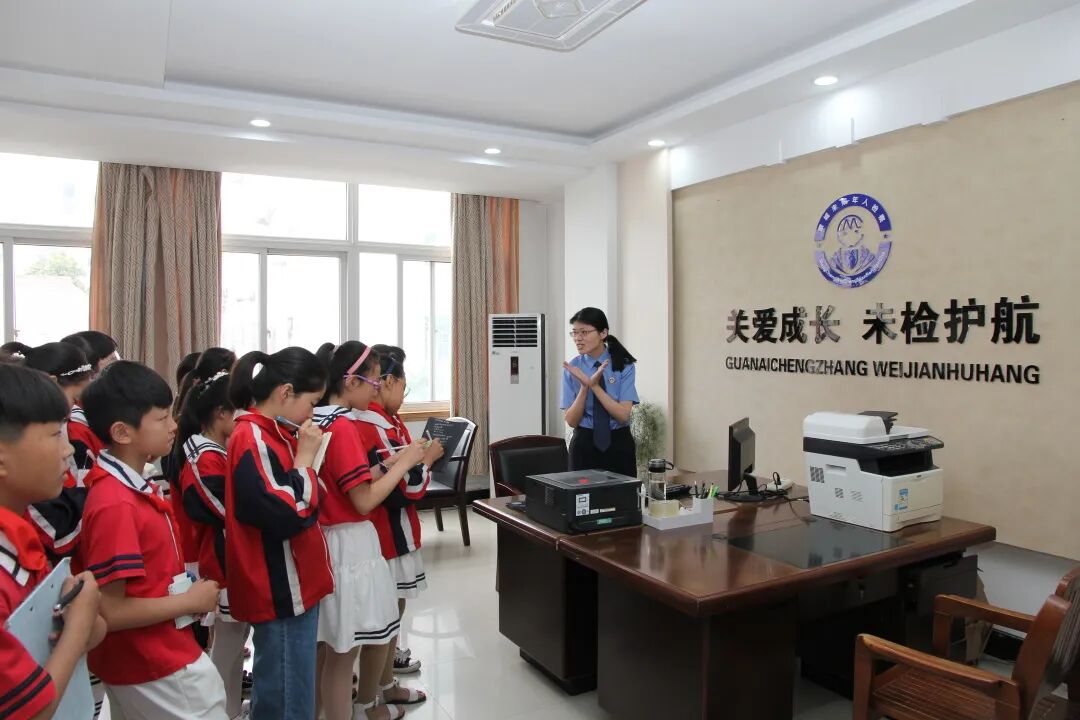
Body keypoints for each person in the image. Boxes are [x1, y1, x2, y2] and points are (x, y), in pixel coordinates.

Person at [79, 361, 226, 719]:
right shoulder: (116, 503)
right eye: (161, 418)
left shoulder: (131, 486)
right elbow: (110, 610)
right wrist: (187, 601)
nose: (173, 425)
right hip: (154, 661)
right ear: (122, 432)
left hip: (158, 653)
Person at [312, 342, 428, 720]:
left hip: (324, 539)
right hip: (349, 542)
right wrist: (405, 464)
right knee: (344, 653)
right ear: (350, 382)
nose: (376, 390)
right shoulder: (343, 426)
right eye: (373, 382)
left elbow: (350, 480)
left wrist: (388, 463)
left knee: (327, 650)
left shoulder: (317, 420)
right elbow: (363, 501)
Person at [225, 348, 333, 720]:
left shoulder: (273, 432)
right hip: (280, 587)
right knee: (287, 694)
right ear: (286, 392)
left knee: (290, 686)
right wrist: (305, 459)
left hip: (295, 583)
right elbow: (289, 513)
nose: (312, 414)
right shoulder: (252, 437)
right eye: (311, 403)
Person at [0, 363, 105, 720]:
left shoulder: (19, 535)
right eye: (55, 434)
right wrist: (78, 627)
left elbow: (89, 632)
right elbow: (33, 712)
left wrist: (83, 618)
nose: (68, 450)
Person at [354, 345, 443, 690]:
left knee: (391, 610)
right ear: (386, 381)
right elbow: (405, 488)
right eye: (403, 387)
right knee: (387, 612)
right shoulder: (372, 424)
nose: (404, 397)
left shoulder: (385, 420)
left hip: (389, 531)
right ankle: (379, 688)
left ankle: (384, 679)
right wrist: (427, 461)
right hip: (387, 534)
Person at [171, 370, 247, 718]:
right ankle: (217, 709)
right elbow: (225, 509)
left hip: (229, 557)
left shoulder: (213, 450)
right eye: (239, 410)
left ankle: (229, 708)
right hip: (221, 560)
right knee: (227, 646)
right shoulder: (203, 456)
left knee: (234, 642)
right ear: (221, 413)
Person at [561, 307, 639, 477]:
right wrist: (584, 387)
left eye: (584, 332)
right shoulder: (572, 368)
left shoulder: (623, 366)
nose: (578, 338)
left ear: (603, 333)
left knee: (622, 493)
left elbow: (623, 415)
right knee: (581, 494)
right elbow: (572, 421)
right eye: (574, 333)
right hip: (584, 444)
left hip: (619, 443)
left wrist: (595, 387)